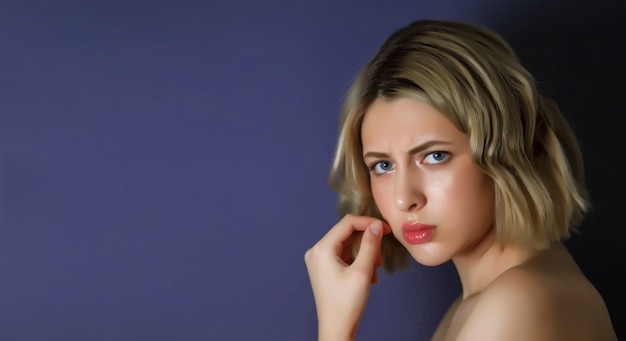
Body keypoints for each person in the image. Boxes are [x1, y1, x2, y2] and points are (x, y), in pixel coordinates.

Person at [304, 19, 617, 340]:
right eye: (383, 165)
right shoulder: (480, 302)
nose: (404, 198)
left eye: (435, 156)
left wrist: (336, 326)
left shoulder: (518, 303)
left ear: (506, 150)